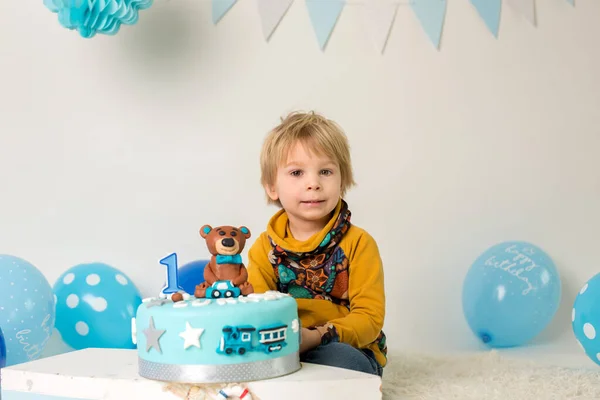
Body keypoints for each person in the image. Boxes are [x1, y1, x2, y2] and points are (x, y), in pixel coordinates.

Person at [247, 111, 387, 377]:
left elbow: (369, 318)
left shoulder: (359, 243)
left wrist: (317, 336)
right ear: (271, 187)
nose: (313, 183)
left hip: (343, 345)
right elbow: (259, 312)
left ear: (342, 180)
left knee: (345, 364)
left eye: (325, 171)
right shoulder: (262, 249)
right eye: (296, 172)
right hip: (283, 348)